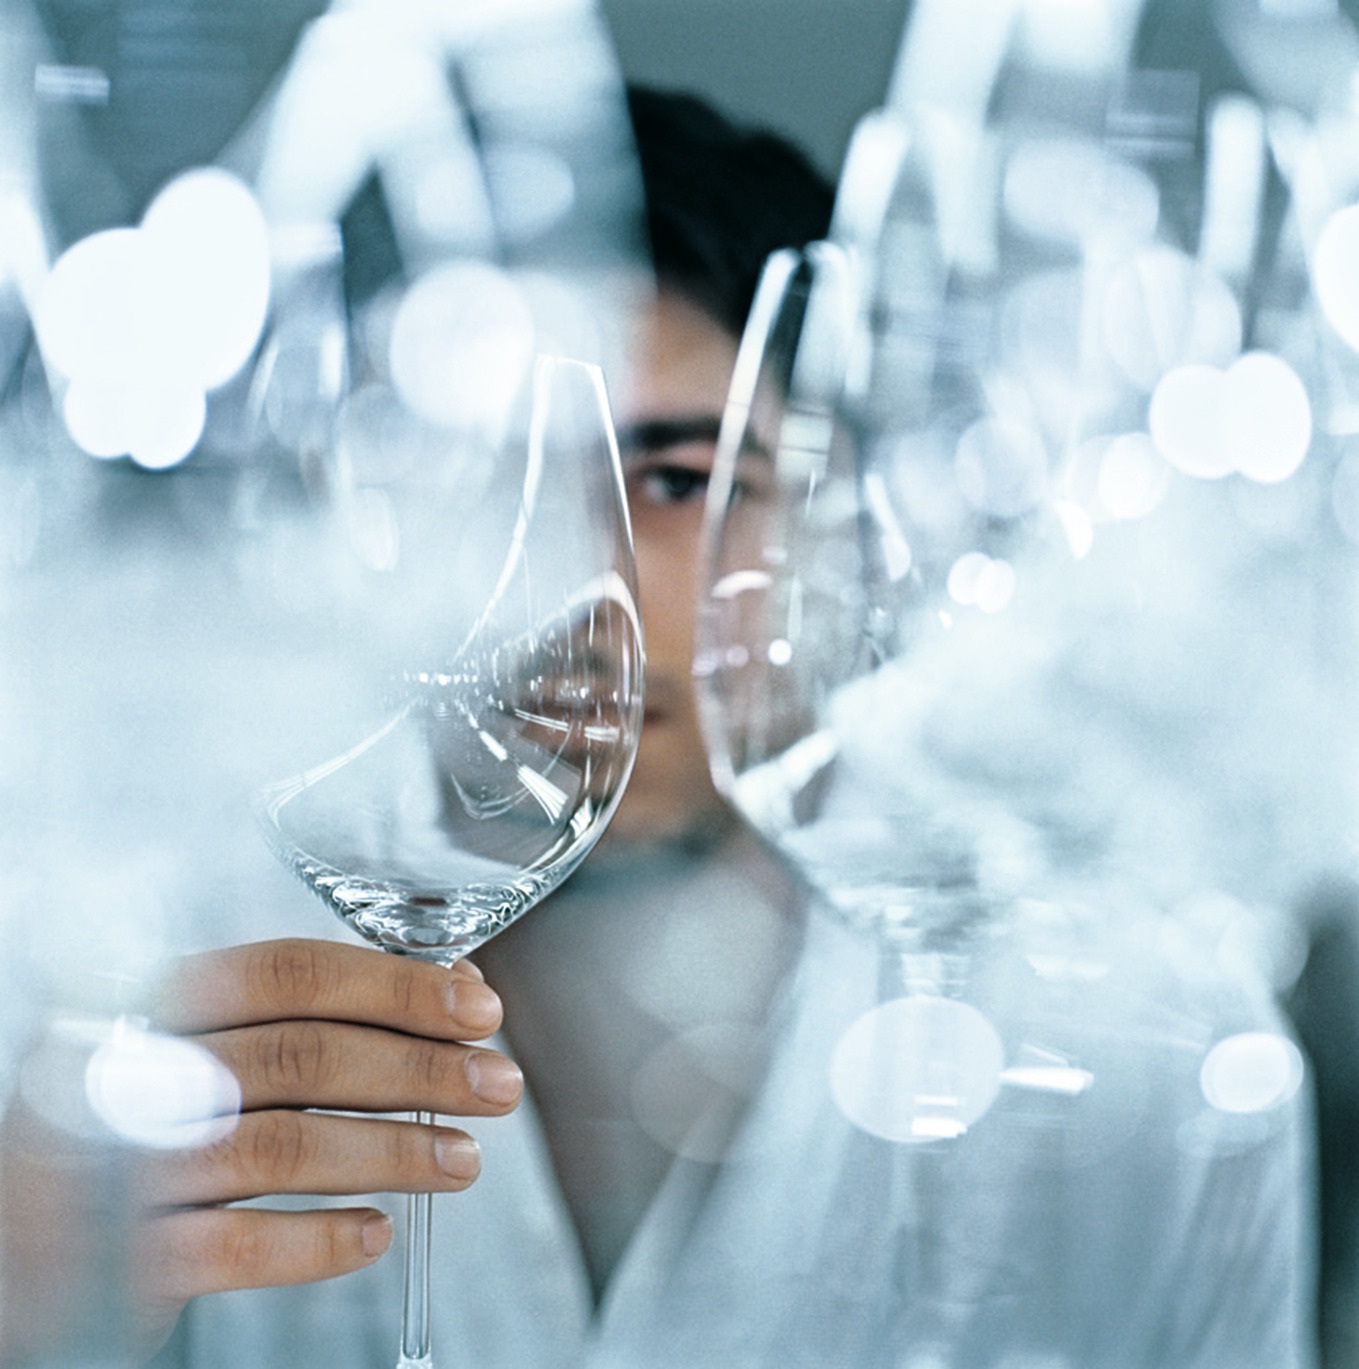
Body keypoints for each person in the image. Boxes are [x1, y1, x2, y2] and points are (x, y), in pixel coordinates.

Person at [2, 84, 1320, 1369]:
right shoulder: (94, 1004)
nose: (577, 590)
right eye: (481, 480)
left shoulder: (1147, 1053)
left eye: (682, 479)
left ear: (864, 517)